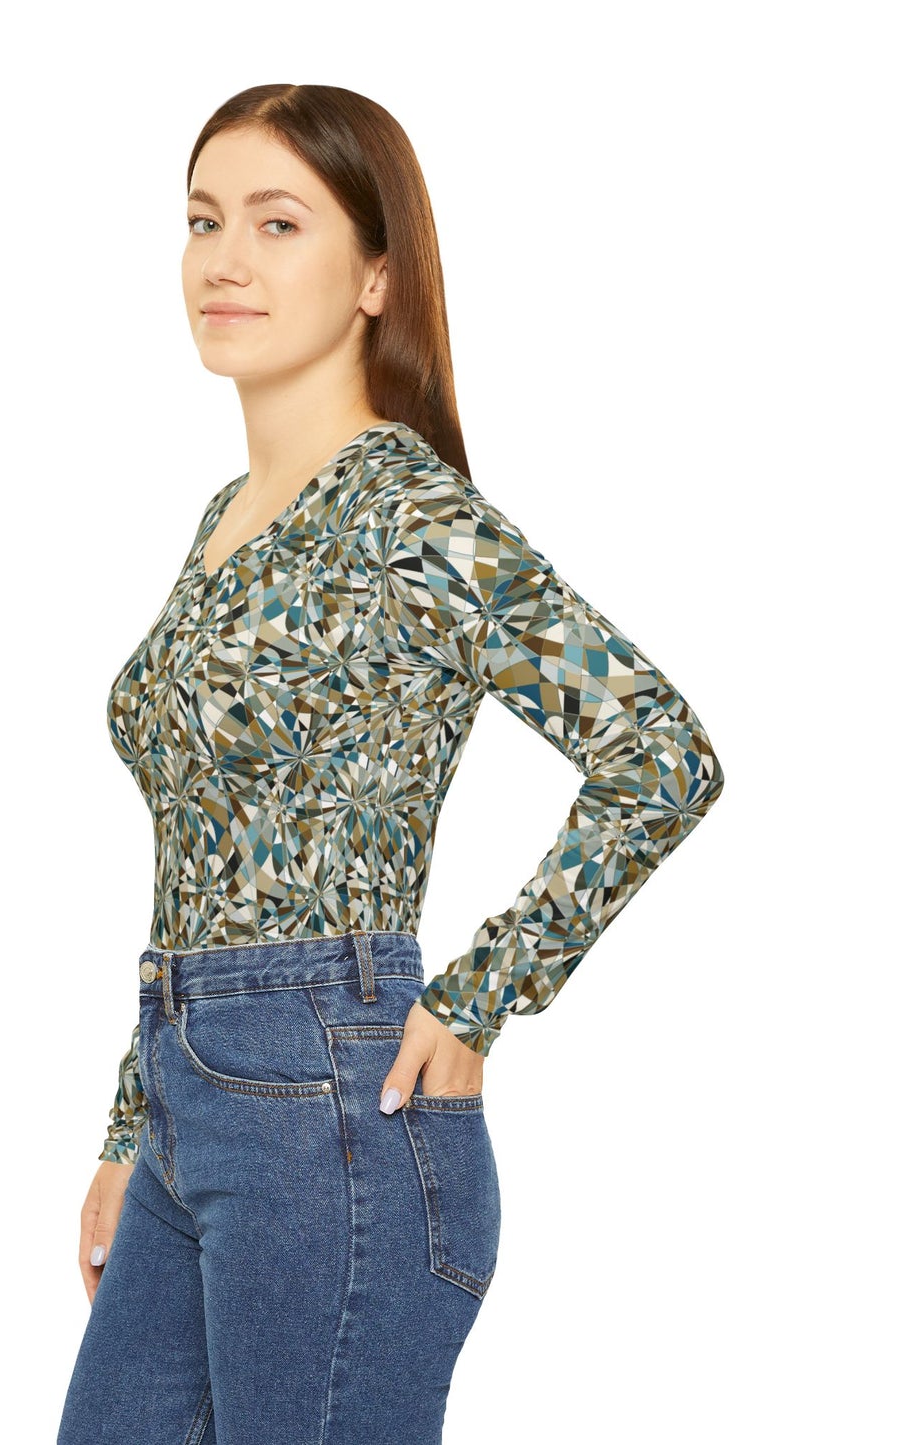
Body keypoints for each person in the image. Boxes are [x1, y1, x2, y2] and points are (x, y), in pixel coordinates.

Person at [57, 83, 725, 1445]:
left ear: (375, 275)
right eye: (202, 220)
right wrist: (134, 1124)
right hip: (191, 1092)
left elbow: (659, 751)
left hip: (328, 1108)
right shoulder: (229, 516)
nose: (224, 259)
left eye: (277, 223)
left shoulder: (407, 514)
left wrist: (481, 996)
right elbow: (201, 844)